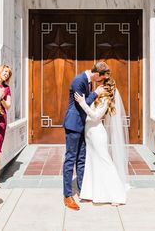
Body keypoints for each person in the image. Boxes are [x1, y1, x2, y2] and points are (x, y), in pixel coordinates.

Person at [74, 77, 129, 205]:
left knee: (105, 162)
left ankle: (118, 196)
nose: (96, 87)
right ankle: (90, 193)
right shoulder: (98, 97)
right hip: (90, 134)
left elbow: (96, 116)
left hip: (97, 134)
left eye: (100, 85)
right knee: (91, 162)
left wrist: (82, 102)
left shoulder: (105, 99)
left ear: (105, 87)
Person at [63, 62, 109, 210]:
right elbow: (81, 105)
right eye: (101, 78)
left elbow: (86, 103)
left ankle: (83, 189)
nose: (100, 82)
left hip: (82, 124)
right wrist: (95, 93)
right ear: (97, 74)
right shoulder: (79, 81)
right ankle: (67, 195)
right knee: (70, 159)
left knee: (81, 158)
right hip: (73, 124)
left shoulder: (88, 81)